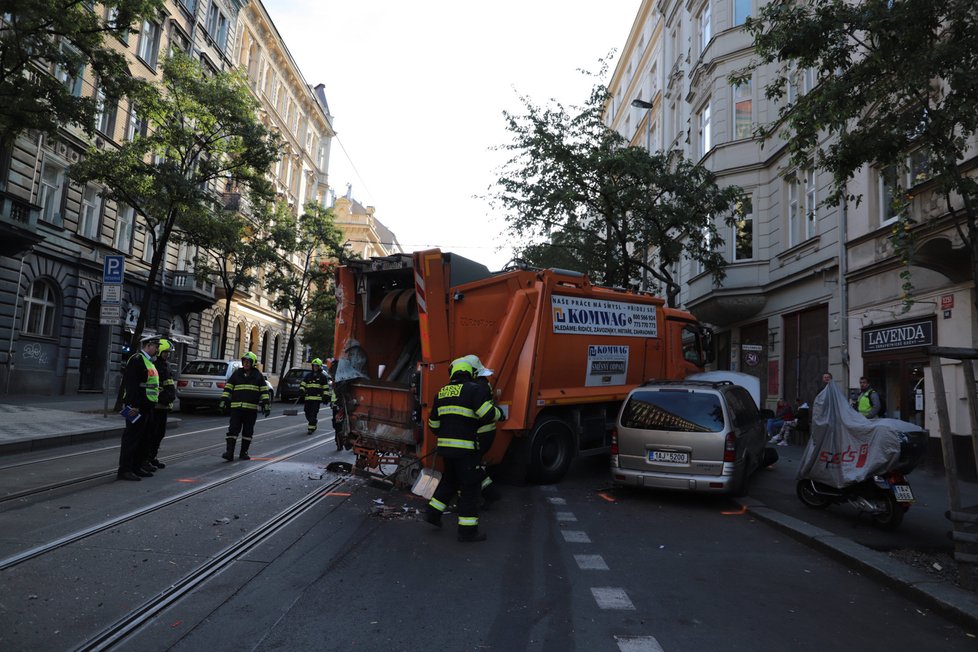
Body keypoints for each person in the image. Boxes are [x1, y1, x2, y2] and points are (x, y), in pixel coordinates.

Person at [423, 357, 502, 542]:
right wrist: (501, 413)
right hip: (466, 450)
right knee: (470, 488)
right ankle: (467, 532)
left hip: (445, 449)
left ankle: (432, 514)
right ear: (470, 373)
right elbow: (487, 414)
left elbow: (433, 424)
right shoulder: (473, 390)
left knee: (449, 482)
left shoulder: (441, 392)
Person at [462, 354, 505, 509]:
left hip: (481, 432)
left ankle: (488, 494)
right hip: (485, 431)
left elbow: (478, 411)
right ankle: (488, 494)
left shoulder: (477, 385)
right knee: (473, 464)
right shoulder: (481, 383)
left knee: (470, 465)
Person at [117, 334, 160, 481]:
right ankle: (125, 470)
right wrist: (134, 405)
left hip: (146, 406)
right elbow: (132, 385)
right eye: (155, 346)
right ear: (147, 346)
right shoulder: (137, 360)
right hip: (135, 406)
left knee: (143, 437)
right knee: (131, 438)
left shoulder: (149, 362)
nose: (157, 349)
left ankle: (136, 467)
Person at [219, 351, 271, 461]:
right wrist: (223, 400)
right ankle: (229, 452)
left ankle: (244, 452)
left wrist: (266, 405)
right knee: (232, 430)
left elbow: (264, 392)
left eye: (248, 362)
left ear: (253, 363)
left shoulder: (258, 376)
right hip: (236, 409)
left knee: (247, 432)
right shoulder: (237, 374)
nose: (246, 363)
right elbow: (228, 387)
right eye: (245, 361)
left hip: (250, 410)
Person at [145, 338, 176, 469]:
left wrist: (170, 398)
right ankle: (147, 458)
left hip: (163, 405)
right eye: (165, 352)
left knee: (160, 433)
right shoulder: (155, 365)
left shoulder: (166, 365)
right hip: (156, 405)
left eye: (168, 352)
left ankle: (152, 457)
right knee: (152, 433)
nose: (167, 354)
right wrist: (164, 397)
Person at [299, 357, 331, 435]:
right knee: (307, 412)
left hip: (316, 399)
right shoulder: (308, 376)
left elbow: (326, 388)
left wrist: (325, 396)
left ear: (319, 367)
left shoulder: (323, 377)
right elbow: (303, 384)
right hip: (308, 398)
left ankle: (311, 427)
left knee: (313, 413)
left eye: (317, 366)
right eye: (314, 366)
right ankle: (313, 422)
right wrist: (302, 389)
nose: (315, 367)